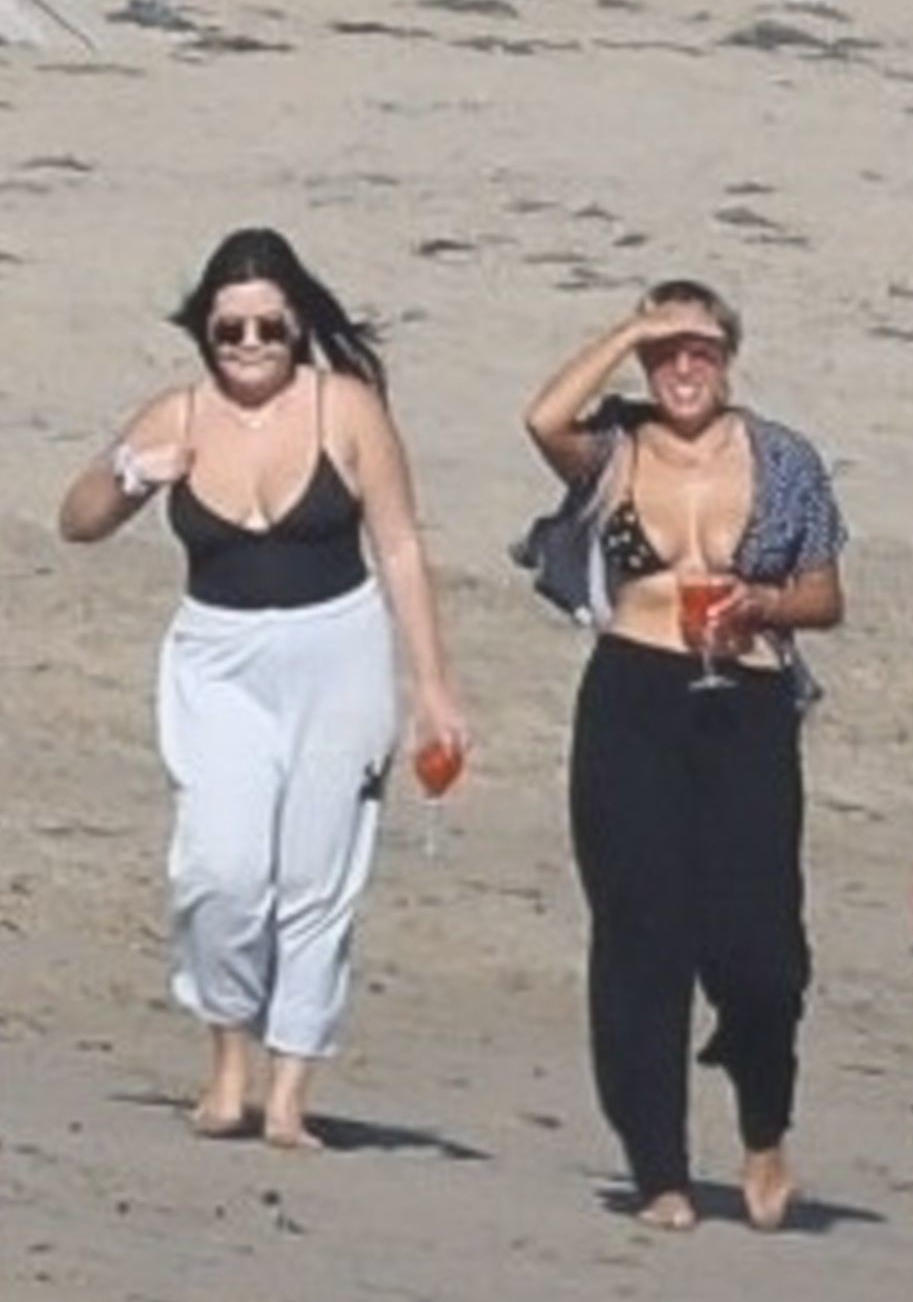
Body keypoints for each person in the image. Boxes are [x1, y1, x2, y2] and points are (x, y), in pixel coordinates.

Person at [59, 227, 466, 1148]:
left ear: (298, 326)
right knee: (221, 872)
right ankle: (227, 1066)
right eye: (230, 329)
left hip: (338, 652)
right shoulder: (176, 415)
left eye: (269, 328)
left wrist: (433, 687)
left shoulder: (345, 408)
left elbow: (400, 546)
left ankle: (287, 1092)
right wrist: (129, 476)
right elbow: (76, 521)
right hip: (217, 661)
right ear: (205, 330)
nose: (250, 345)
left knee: (317, 877)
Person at [523, 279, 847, 1231]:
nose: (682, 368)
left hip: (746, 696)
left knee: (762, 950)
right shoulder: (614, 449)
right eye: (665, 353)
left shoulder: (783, 460)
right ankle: (658, 1166)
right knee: (639, 935)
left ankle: (764, 1126)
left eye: (699, 348)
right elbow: (542, 418)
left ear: (728, 358)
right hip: (635, 693)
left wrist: (766, 603)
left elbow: (826, 596)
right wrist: (632, 328)